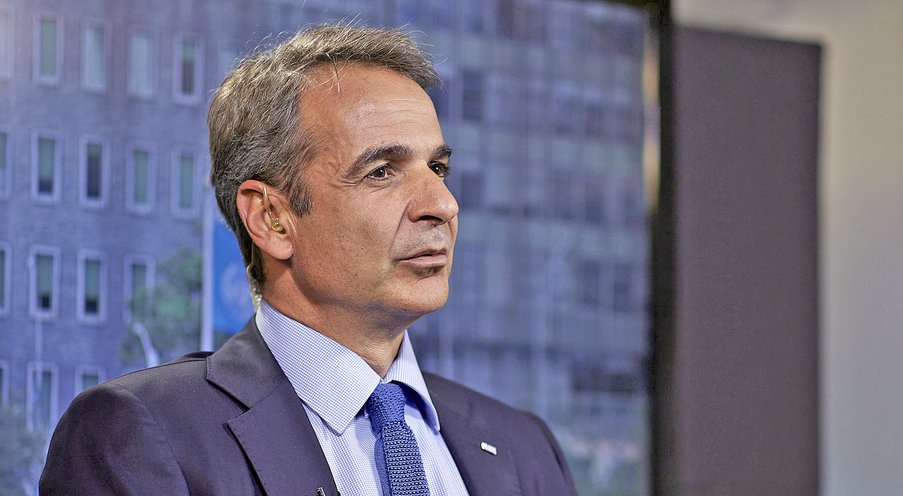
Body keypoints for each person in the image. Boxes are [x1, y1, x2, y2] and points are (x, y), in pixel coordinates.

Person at [39, 25, 577, 496]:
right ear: (272, 218)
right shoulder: (142, 433)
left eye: (437, 169)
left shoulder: (523, 446)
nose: (443, 204)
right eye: (382, 172)